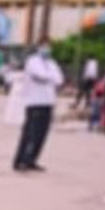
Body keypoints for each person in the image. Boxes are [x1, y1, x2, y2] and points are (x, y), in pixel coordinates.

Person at [13, 41, 64, 172]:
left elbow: (59, 79)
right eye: (44, 46)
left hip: (48, 102)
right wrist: (50, 77)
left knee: (42, 135)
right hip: (34, 102)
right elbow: (40, 75)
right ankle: (21, 160)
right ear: (38, 47)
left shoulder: (52, 63)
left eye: (48, 47)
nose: (47, 49)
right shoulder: (32, 61)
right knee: (30, 134)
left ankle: (32, 160)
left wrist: (50, 77)